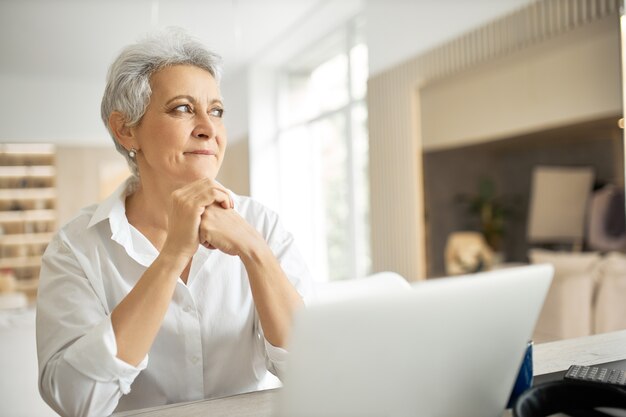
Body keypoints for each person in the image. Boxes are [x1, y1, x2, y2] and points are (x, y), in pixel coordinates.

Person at [36, 28, 313, 417]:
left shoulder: (262, 226)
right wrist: (171, 257)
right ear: (126, 129)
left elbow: (314, 371)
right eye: (182, 108)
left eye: (215, 110)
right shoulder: (76, 249)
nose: (208, 127)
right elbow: (77, 401)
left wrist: (255, 251)